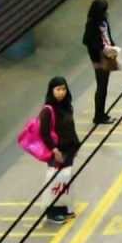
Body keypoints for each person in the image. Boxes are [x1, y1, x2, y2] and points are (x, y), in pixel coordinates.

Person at [40, 77, 80, 223]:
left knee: (65, 179)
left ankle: (64, 208)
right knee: (55, 181)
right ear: (51, 91)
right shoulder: (47, 110)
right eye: (58, 89)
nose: (61, 92)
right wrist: (54, 150)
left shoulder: (67, 106)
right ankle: (51, 212)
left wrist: (76, 145)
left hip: (68, 150)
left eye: (63, 89)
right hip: (57, 152)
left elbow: (71, 127)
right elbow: (44, 133)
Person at [81, 0, 116, 125]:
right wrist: (101, 48)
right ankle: (98, 116)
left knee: (104, 86)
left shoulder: (104, 20)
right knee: (101, 87)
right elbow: (87, 41)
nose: (106, 12)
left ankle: (102, 113)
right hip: (99, 58)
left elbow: (107, 35)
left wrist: (112, 46)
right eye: (104, 10)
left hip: (108, 54)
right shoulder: (91, 24)